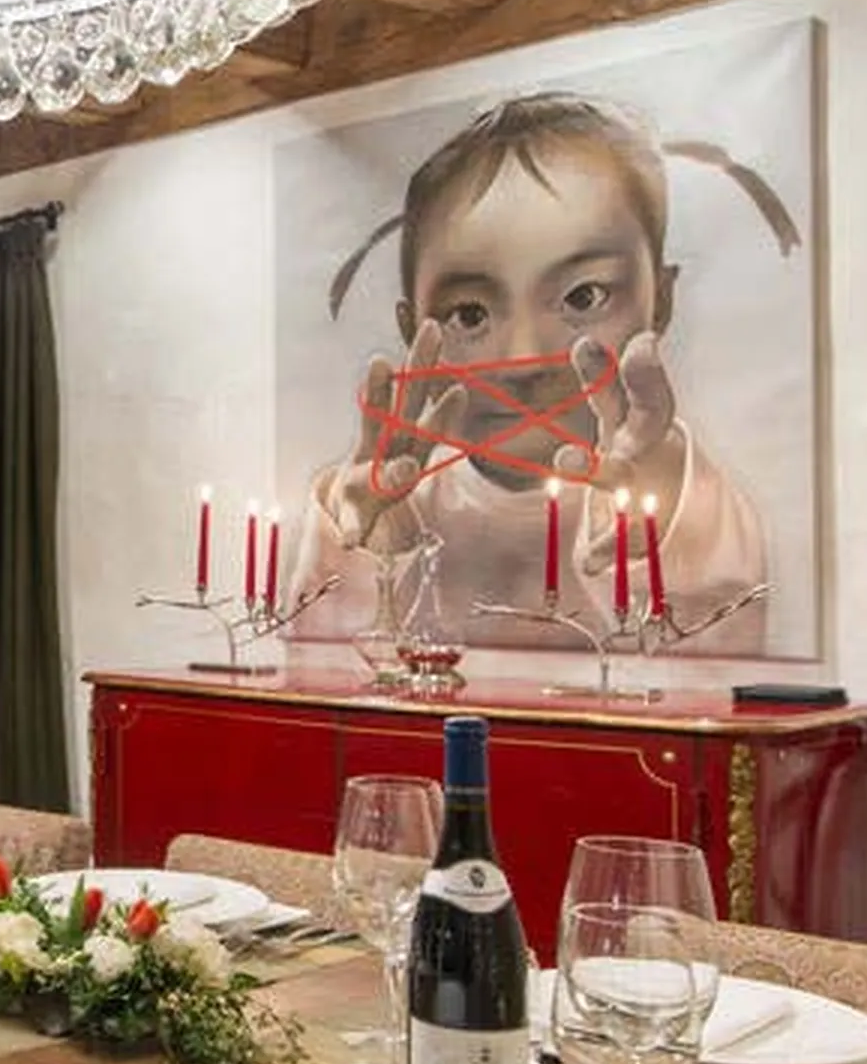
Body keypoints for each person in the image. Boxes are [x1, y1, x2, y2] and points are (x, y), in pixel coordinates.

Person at [297, 92, 796, 654]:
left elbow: (713, 685)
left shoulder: (693, 502)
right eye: (470, 314)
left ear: (661, 302)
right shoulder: (393, 496)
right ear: (413, 331)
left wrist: (651, 541)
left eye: (583, 297)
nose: (523, 356)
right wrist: (371, 549)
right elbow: (314, 689)